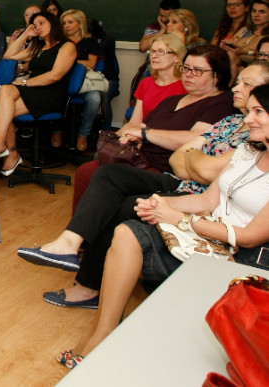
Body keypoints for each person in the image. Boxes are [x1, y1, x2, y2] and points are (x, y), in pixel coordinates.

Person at [18, 61, 269, 311]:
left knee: (126, 205)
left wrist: (193, 156)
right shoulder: (231, 121)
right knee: (108, 174)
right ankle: (69, 243)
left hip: (198, 194)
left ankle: (89, 286)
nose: (237, 87)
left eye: (247, 84)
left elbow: (204, 171)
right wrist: (193, 158)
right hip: (180, 180)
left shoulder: (253, 136)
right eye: (238, 81)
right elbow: (178, 158)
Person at [55, 83, 269, 369]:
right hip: (211, 238)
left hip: (245, 262)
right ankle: (102, 334)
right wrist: (159, 203)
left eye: (258, 111)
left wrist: (179, 218)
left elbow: (250, 237)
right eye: (249, 111)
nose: (248, 119)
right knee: (127, 231)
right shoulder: (247, 151)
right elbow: (207, 199)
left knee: (134, 226)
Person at [70, 45, 237, 208]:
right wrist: (132, 136)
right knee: (86, 171)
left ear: (217, 75)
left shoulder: (221, 103)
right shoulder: (171, 100)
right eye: (186, 68)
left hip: (167, 170)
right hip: (138, 159)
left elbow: (195, 138)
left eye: (197, 70)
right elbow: (142, 127)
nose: (188, 74)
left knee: (98, 174)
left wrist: (145, 134)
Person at [0, 11, 77, 176]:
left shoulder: (67, 46)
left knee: (2, 109)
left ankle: (7, 150)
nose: (38, 28)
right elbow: (8, 55)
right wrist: (25, 35)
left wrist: (24, 83)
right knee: (5, 99)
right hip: (33, 91)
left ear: (53, 23)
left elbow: (55, 75)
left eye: (42, 23)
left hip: (51, 94)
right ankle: (7, 150)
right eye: (35, 26)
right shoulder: (38, 47)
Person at [58, 9, 103, 151]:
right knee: (53, 94)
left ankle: (83, 134)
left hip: (84, 83)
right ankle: (56, 131)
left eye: (70, 22)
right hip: (62, 81)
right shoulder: (60, 43)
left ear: (80, 23)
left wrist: (69, 62)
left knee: (95, 98)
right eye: (64, 23)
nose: (67, 26)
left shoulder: (90, 42)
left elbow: (91, 63)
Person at [88, 18, 120, 130]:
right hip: (89, 79)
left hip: (108, 79)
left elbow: (98, 49)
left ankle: (106, 131)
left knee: (104, 100)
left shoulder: (108, 40)